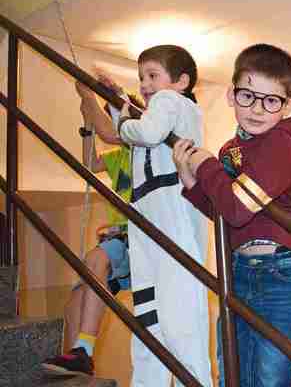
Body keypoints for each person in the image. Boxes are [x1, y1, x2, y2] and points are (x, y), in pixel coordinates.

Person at [173, 43, 291, 387]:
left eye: (271, 100)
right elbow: (227, 212)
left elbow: (237, 209)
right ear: (231, 94)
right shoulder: (231, 150)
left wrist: (205, 164)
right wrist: (191, 181)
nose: (257, 109)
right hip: (238, 268)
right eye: (248, 96)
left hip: (279, 270)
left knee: (270, 376)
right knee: (233, 373)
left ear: (288, 106)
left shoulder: (281, 141)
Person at [117, 45, 211, 387]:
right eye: (141, 77)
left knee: (175, 312)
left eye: (152, 75)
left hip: (166, 204)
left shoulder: (170, 100)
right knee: (154, 310)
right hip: (148, 207)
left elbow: (147, 133)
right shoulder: (163, 108)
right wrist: (121, 109)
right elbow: (143, 132)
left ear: (181, 81)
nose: (145, 84)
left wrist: (124, 122)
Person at [42, 79, 133, 376]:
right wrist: (87, 122)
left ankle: (84, 350)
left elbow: (110, 132)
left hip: (135, 239)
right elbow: (90, 163)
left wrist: (89, 96)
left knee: (96, 258)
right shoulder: (118, 157)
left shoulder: (143, 149)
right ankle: (74, 366)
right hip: (118, 239)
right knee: (74, 302)